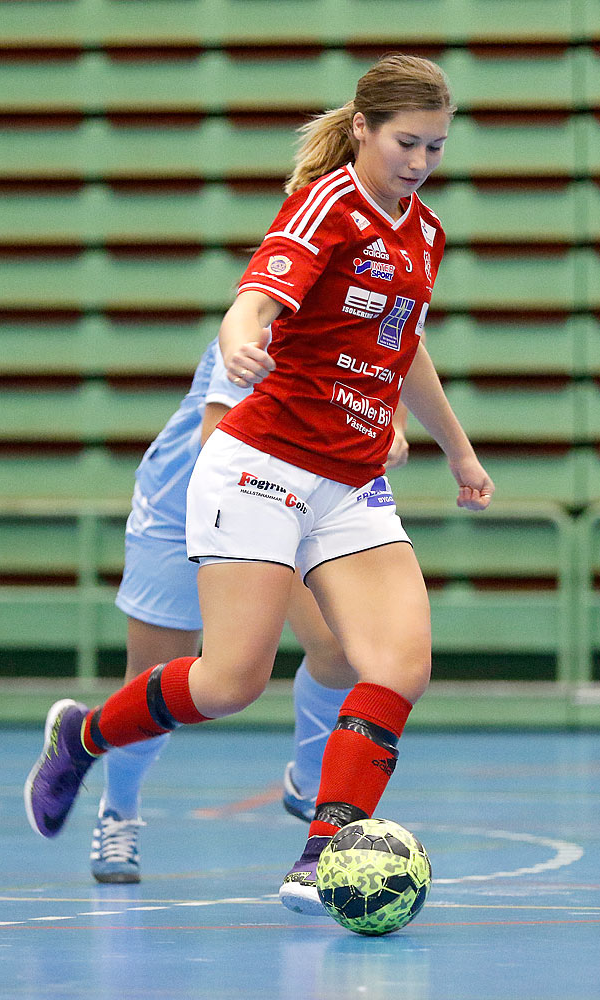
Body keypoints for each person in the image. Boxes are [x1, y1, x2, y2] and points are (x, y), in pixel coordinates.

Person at [25, 53, 492, 915]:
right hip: (260, 467)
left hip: (346, 481)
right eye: (405, 143)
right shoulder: (326, 207)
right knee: (229, 682)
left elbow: (406, 345)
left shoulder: (425, 234)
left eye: (435, 146)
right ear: (362, 130)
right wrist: (241, 335)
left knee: (397, 662)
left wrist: (458, 451)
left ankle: (321, 858)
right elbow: (256, 296)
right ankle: (82, 738)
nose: (420, 163)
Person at [88, 335, 409, 883]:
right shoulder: (260, 326)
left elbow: (389, 399)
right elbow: (217, 434)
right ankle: (118, 810)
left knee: (337, 649)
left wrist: (393, 436)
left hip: (286, 503)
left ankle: (308, 784)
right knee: (157, 681)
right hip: (187, 504)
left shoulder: (371, 319)